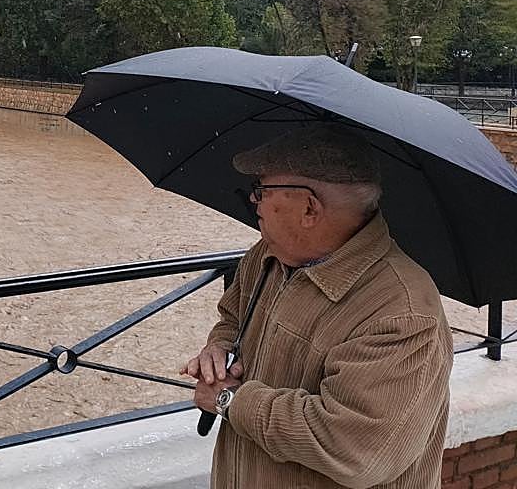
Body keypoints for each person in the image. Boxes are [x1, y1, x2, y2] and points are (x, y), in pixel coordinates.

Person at [181, 124, 452, 489]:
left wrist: (230, 400)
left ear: (309, 208)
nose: (253, 201)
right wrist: (220, 349)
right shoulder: (268, 255)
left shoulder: (401, 311)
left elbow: (355, 448)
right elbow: (233, 318)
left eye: (261, 190)